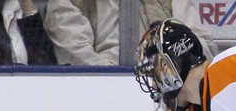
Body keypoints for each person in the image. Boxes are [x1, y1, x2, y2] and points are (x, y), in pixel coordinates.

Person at [43, 0, 218, 66]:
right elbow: (78, 60)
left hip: (169, 95)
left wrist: (169, 71)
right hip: (99, 100)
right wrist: (128, 80)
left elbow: (205, 50)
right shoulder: (68, 2)